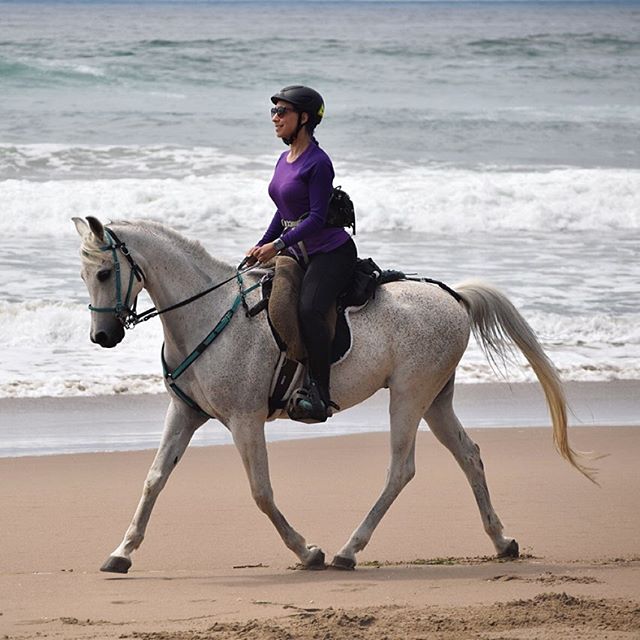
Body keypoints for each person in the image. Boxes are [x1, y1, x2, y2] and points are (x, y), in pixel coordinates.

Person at [246, 85, 357, 422]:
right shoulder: (284, 159)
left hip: (330, 253)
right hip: (297, 251)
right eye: (273, 112)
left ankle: (319, 393)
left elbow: (316, 218)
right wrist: (261, 244)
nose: (275, 118)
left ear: (304, 118)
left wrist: (276, 246)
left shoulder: (319, 163)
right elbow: (284, 211)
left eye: (283, 112)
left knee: (309, 309)